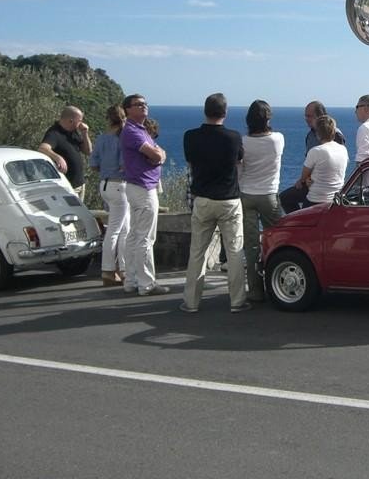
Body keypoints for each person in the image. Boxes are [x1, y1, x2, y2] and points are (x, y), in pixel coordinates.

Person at [180, 92, 249, 313]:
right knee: (235, 251)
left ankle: (191, 302)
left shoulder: (190, 136)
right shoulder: (234, 137)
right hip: (229, 200)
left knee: (197, 251)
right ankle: (237, 301)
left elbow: (191, 162)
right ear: (225, 112)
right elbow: (239, 161)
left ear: (205, 111)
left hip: (203, 199)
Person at [120, 94, 169, 296]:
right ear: (127, 110)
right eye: (138, 104)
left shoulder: (140, 130)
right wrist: (158, 156)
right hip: (143, 188)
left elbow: (159, 153)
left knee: (134, 236)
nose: (143, 107)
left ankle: (131, 281)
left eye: (144, 104)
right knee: (146, 238)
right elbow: (158, 155)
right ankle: (146, 284)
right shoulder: (133, 132)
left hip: (137, 187)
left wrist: (158, 155)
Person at [239, 99, 284, 302]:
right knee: (277, 242)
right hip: (269, 195)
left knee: (251, 245)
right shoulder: (277, 139)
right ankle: (276, 284)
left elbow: (240, 168)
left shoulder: (243, 141)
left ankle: (255, 290)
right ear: (268, 118)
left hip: (246, 194)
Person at [279, 100, 345, 213]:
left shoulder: (336, 135)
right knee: (285, 197)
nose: (306, 119)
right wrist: (306, 178)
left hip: (323, 185)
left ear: (320, 117)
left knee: (295, 201)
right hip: (311, 180)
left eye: (309, 116)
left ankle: (302, 221)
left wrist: (306, 179)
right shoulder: (310, 136)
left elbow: (334, 163)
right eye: (305, 116)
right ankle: (299, 222)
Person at [89, 104, 129, 286]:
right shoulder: (122, 138)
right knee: (115, 231)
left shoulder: (102, 138)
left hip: (104, 185)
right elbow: (124, 165)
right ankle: (108, 271)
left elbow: (94, 164)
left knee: (123, 229)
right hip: (119, 185)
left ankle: (123, 269)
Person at [38, 106, 91, 198]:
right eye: (80, 120)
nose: (81, 123)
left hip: (79, 184)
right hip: (67, 186)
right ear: (71, 121)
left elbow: (88, 151)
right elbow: (43, 148)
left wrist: (84, 133)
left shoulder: (74, 132)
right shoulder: (54, 133)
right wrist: (58, 157)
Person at [298, 115, 348, 206]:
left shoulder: (316, 151)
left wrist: (306, 179)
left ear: (318, 133)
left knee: (286, 198)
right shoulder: (343, 149)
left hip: (315, 199)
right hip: (336, 200)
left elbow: (303, 176)